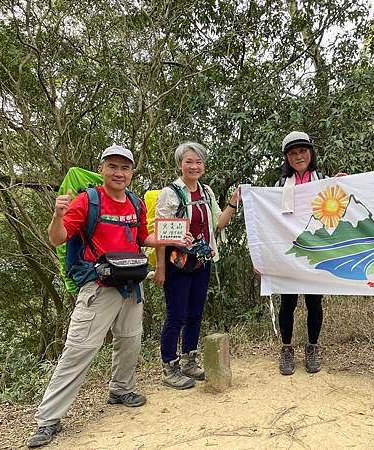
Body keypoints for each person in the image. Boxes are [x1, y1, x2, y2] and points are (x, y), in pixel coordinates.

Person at [28, 146, 162, 448]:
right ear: (102, 169)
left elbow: (143, 238)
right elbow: (57, 238)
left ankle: (121, 389)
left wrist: (171, 239)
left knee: (130, 339)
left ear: (131, 172)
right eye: (113, 166)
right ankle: (48, 419)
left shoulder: (135, 203)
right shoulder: (86, 201)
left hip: (131, 284)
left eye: (125, 168)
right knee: (79, 349)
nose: (119, 173)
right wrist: (57, 215)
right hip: (98, 287)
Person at [154, 141, 240, 389]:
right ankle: (169, 367)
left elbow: (218, 223)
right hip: (178, 263)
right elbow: (161, 233)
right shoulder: (170, 193)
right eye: (189, 161)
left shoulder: (207, 192)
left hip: (203, 261)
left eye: (198, 161)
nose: (194, 166)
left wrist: (233, 202)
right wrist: (160, 268)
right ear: (180, 164)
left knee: (195, 313)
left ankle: (189, 359)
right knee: (176, 315)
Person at [274, 131, 338, 376]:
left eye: (303, 151)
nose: (298, 156)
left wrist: (344, 186)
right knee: (287, 302)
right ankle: (287, 349)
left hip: (317, 251)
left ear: (311, 153)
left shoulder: (323, 179)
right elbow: (270, 221)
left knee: (314, 301)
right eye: (292, 153)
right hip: (289, 252)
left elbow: (338, 209)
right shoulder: (280, 185)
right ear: (286, 158)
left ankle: (312, 348)